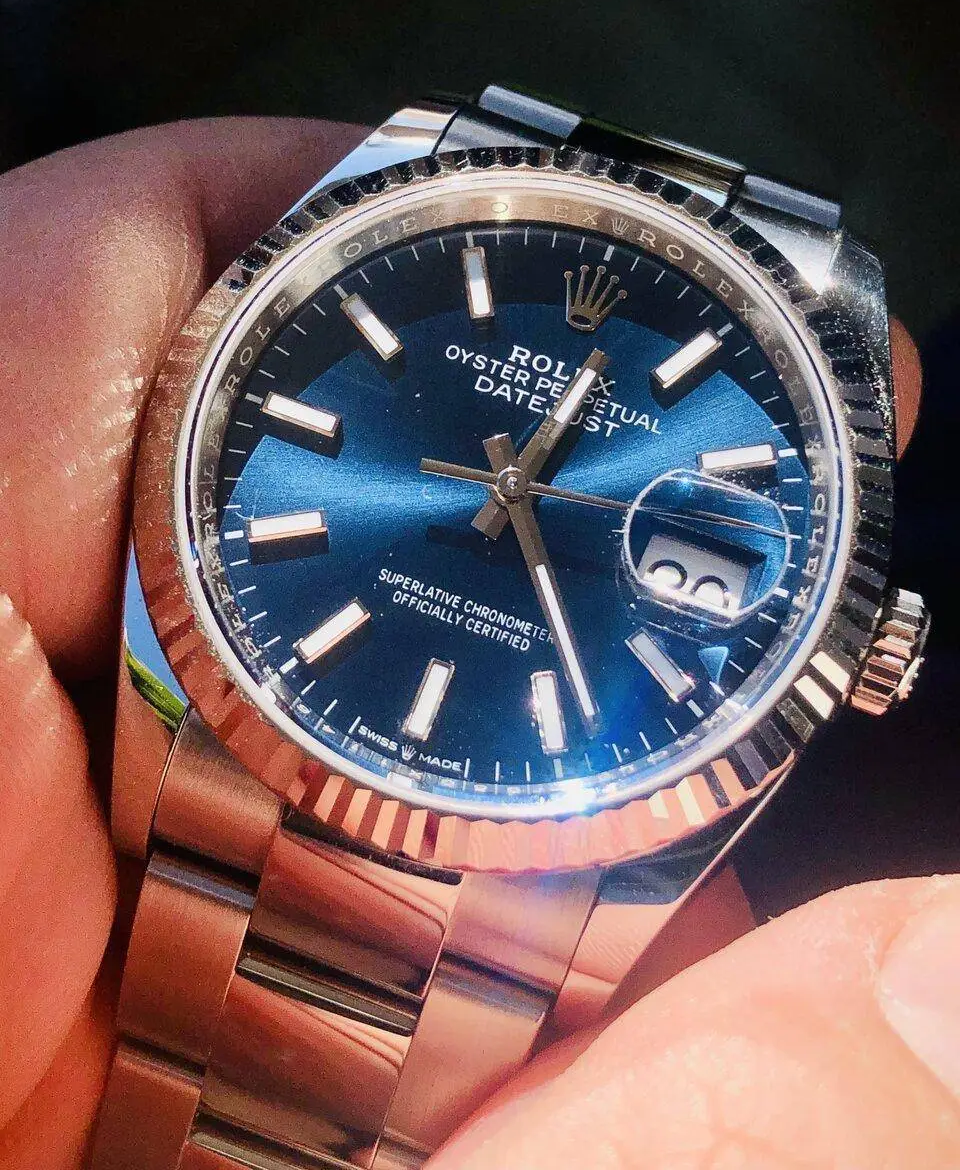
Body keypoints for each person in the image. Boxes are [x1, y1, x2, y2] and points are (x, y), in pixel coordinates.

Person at [0, 118, 955, 1170]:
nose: (510, 492)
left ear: (868, 649)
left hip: (519, 894)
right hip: (231, 755)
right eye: (511, 485)